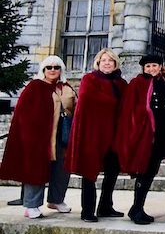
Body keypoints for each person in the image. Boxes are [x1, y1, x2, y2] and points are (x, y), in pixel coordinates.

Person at [0, 55, 76, 219]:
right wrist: (30, 136)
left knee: (63, 170)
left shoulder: (66, 88)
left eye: (57, 67)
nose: (53, 70)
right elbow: (23, 113)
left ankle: (56, 200)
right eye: (49, 67)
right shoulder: (35, 87)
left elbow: (76, 108)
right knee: (35, 169)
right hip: (39, 137)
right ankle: (31, 205)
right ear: (43, 70)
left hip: (62, 135)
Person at [65, 48, 127, 222]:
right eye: (104, 60)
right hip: (93, 133)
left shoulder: (121, 83)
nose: (107, 63)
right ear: (98, 63)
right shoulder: (89, 79)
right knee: (89, 173)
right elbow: (87, 100)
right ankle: (87, 210)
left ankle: (105, 206)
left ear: (115, 64)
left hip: (114, 134)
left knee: (112, 171)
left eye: (110, 61)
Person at [117, 53, 165, 225]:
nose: (151, 69)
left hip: (161, 135)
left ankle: (138, 208)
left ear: (160, 67)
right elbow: (130, 110)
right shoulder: (137, 83)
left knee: (151, 172)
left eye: (154, 65)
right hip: (145, 135)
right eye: (148, 66)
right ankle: (137, 208)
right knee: (144, 171)